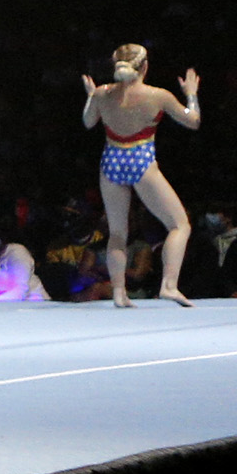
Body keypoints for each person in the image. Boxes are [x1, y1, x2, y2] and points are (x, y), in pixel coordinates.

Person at [81, 43, 201, 308]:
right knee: (179, 225)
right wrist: (191, 95)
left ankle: (118, 292)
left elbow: (88, 123)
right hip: (141, 161)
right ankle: (169, 285)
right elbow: (193, 121)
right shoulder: (159, 95)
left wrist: (92, 97)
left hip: (111, 161)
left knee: (117, 233)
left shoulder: (102, 93)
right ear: (145, 66)